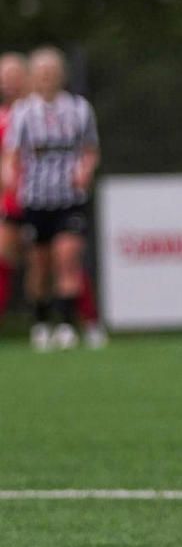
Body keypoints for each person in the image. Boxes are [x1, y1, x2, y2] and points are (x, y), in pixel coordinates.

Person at [0, 47, 104, 351]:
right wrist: (9, 177)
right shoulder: (23, 114)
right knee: (39, 266)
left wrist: (85, 170)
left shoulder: (79, 110)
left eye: (51, 72)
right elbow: (11, 155)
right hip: (33, 200)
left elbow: (90, 149)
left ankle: (70, 324)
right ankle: (42, 322)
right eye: (41, 73)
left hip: (69, 199)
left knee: (67, 257)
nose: (46, 78)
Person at [0, 52, 29, 327]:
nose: (8, 83)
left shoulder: (39, 112)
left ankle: (87, 320)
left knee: (59, 259)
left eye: (13, 76)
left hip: (44, 197)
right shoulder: (2, 117)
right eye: (3, 78)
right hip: (11, 200)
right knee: (4, 257)